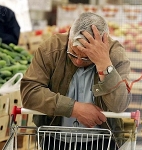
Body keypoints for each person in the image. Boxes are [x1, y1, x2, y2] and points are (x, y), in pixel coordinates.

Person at [20, 12, 131, 149]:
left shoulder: (116, 55)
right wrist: (74, 108)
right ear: (69, 37)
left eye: (86, 58)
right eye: (73, 53)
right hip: (54, 138)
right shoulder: (51, 48)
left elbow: (119, 104)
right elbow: (29, 92)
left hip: (103, 140)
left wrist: (104, 64)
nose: (78, 61)